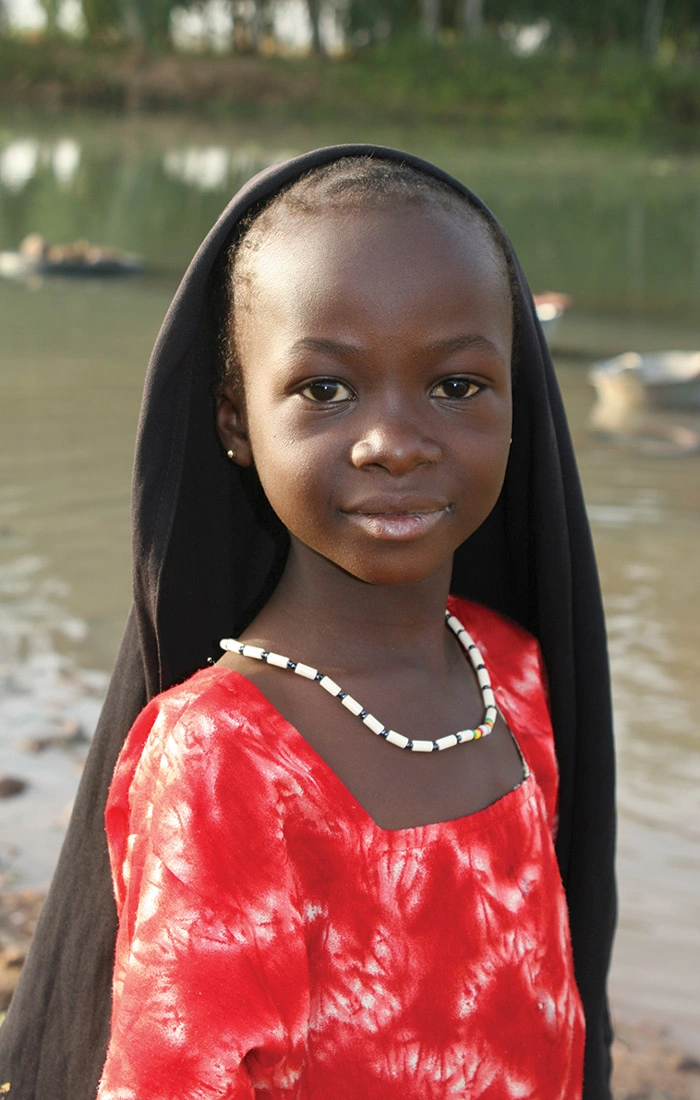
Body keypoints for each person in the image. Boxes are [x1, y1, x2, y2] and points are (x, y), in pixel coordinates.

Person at [0, 146, 616, 1100]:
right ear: (236, 422)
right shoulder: (222, 763)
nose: (396, 443)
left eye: (455, 385)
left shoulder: (519, 677)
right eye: (326, 389)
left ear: (515, 409)